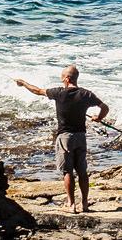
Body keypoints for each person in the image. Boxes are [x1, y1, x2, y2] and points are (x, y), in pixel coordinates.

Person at [15, 65, 108, 213]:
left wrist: (23, 83)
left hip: (65, 137)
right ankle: (84, 204)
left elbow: (37, 91)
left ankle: (71, 205)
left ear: (67, 78)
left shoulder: (59, 93)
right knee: (82, 171)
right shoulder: (86, 94)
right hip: (81, 137)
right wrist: (99, 118)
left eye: (62, 78)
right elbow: (105, 107)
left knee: (68, 171)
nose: (62, 80)